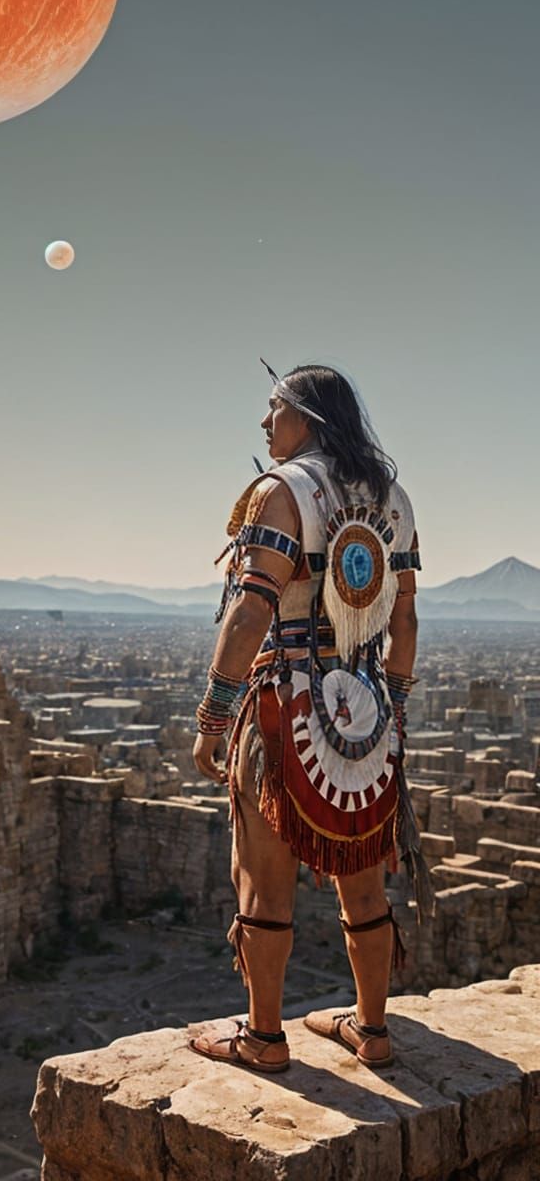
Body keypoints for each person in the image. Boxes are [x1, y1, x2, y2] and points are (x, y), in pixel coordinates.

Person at [189, 361, 430, 1074]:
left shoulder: (281, 491)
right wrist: (394, 704)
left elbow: (253, 606)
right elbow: (406, 615)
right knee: (363, 869)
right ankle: (373, 1028)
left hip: (284, 703)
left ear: (309, 419)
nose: (266, 425)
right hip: (366, 709)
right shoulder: (394, 497)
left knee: (263, 873)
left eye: (275, 410)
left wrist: (212, 713)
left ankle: (263, 1037)